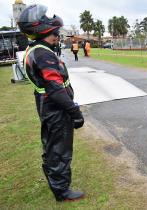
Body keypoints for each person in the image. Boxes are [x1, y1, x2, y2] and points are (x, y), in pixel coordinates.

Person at [17, 4, 85, 201]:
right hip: (55, 108)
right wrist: (75, 112)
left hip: (46, 105)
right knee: (60, 148)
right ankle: (61, 190)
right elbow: (55, 89)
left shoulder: (36, 49)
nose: (58, 36)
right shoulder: (43, 54)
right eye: (56, 33)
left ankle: (54, 179)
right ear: (46, 30)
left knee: (51, 145)